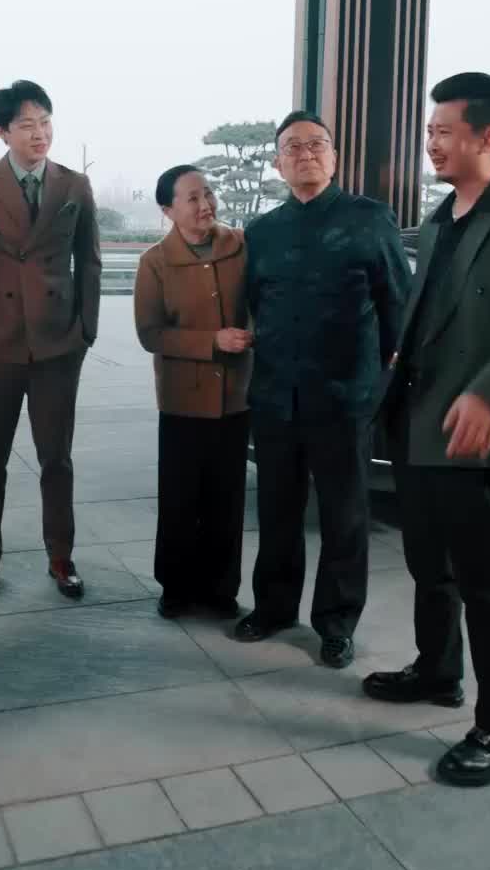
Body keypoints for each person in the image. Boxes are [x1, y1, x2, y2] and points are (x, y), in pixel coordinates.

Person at [363, 73, 490, 787]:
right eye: (429, 132)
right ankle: (438, 669)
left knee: (487, 583)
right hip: (417, 422)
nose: (432, 143)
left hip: (474, 430)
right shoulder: (439, 219)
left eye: (444, 132)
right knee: (429, 565)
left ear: (488, 135)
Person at [234, 110, 411, 667]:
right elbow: (256, 305)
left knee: (344, 517)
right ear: (278, 162)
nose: (305, 153)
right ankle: (274, 608)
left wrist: (382, 387)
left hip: (344, 399)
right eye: (293, 146)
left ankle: (336, 623)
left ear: (334, 157)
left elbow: (397, 308)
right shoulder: (261, 232)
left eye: (317, 144)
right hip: (276, 397)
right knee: (277, 512)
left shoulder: (370, 219)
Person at [0, 79, 101, 605]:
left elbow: (90, 262)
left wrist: (85, 331)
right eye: (27, 125)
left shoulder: (74, 185)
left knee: (57, 458)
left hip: (58, 344)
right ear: (2, 132)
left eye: (46, 122)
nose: (40, 133)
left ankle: (62, 557)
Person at [134, 166, 252, 619]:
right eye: (192, 198)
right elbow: (150, 334)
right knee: (180, 498)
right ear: (168, 210)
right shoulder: (155, 262)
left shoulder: (242, 246)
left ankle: (221, 589)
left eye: (208, 193)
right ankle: (177, 587)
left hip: (236, 396)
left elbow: (263, 303)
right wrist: (211, 342)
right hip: (182, 399)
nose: (206, 205)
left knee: (227, 499)